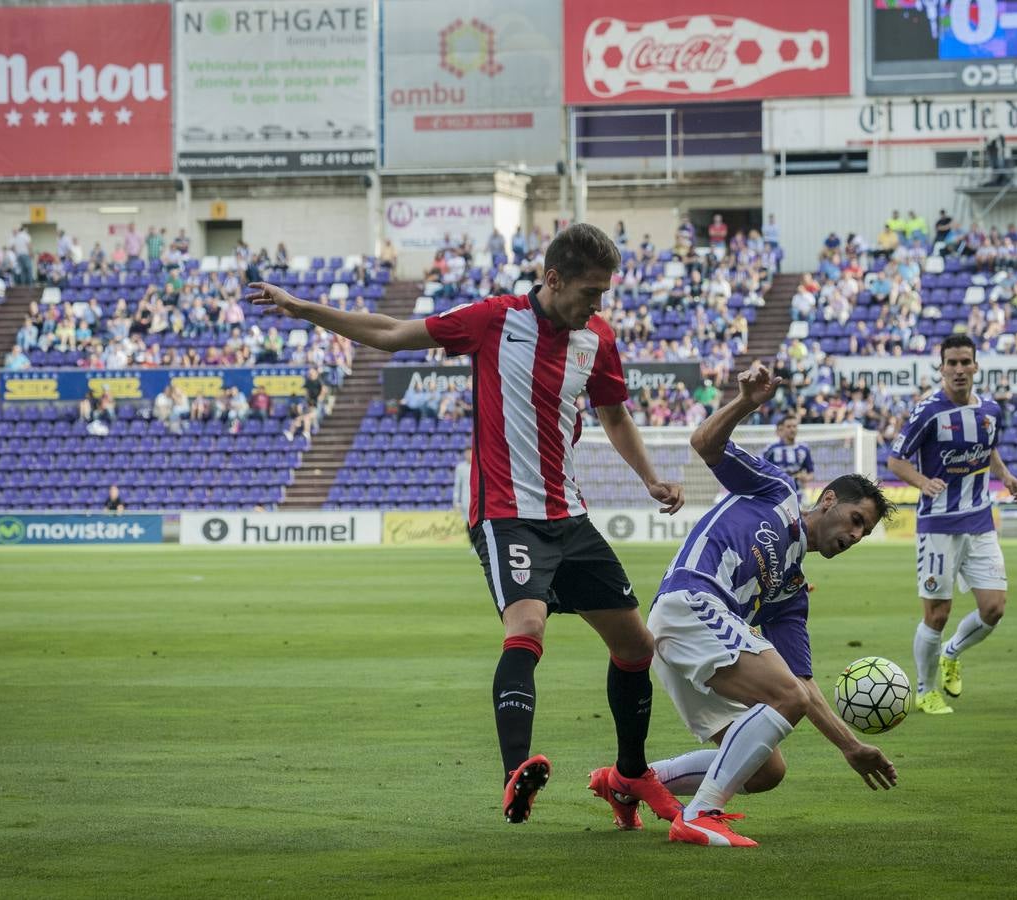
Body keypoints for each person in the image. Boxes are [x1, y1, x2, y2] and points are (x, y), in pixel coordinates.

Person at [248, 223, 687, 825]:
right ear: (552, 279)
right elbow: (392, 333)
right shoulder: (493, 319)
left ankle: (629, 776)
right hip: (507, 516)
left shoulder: (598, 338)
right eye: (591, 291)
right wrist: (303, 308)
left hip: (570, 515)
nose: (599, 304)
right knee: (527, 625)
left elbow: (613, 415)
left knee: (636, 647)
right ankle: (516, 772)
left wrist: (649, 478)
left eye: (605, 292)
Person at [598, 362, 896, 847]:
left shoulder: (791, 590)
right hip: (690, 600)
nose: (855, 535)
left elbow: (803, 686)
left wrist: (851, 746)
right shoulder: (775, 491)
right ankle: (699, 814)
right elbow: (704, 444)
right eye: (856, 519)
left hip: (694, 633)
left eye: (863, 533)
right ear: (828, 500)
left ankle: (627, 782)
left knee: (765, 770)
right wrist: (744, 403)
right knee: (786, 701)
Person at [886, 334, 1017, 716]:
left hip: (980, 521)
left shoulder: (992, 410)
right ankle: (926, 690)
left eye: (966, 362)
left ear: (976, 366)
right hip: (938, 527)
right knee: (938, 614)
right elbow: (895, 460)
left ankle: (952, 653)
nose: (960, 369)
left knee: (994, 608)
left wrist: (1007, 477)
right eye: (953, 363)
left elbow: (989, 450)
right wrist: (921, 482)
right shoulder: (928, 411)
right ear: (941, 367)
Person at [760, 412, 815, 494]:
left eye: (794, 426)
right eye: (789, 427)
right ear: (782, 429)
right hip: (776, 492)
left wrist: (806, 478)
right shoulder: (771, 449)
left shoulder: (804, 449)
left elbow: (811, 473)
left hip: (797, 492)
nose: (792, 429)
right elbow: (760, 468)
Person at [452, 448, 472, 523]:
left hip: (476, 500)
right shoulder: (460, 467)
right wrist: (456, 501)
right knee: (467, 522)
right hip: (465, 500)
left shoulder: (477, 465)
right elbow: (457, 486)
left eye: (470, 453)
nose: (468, 455)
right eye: (467, 453)